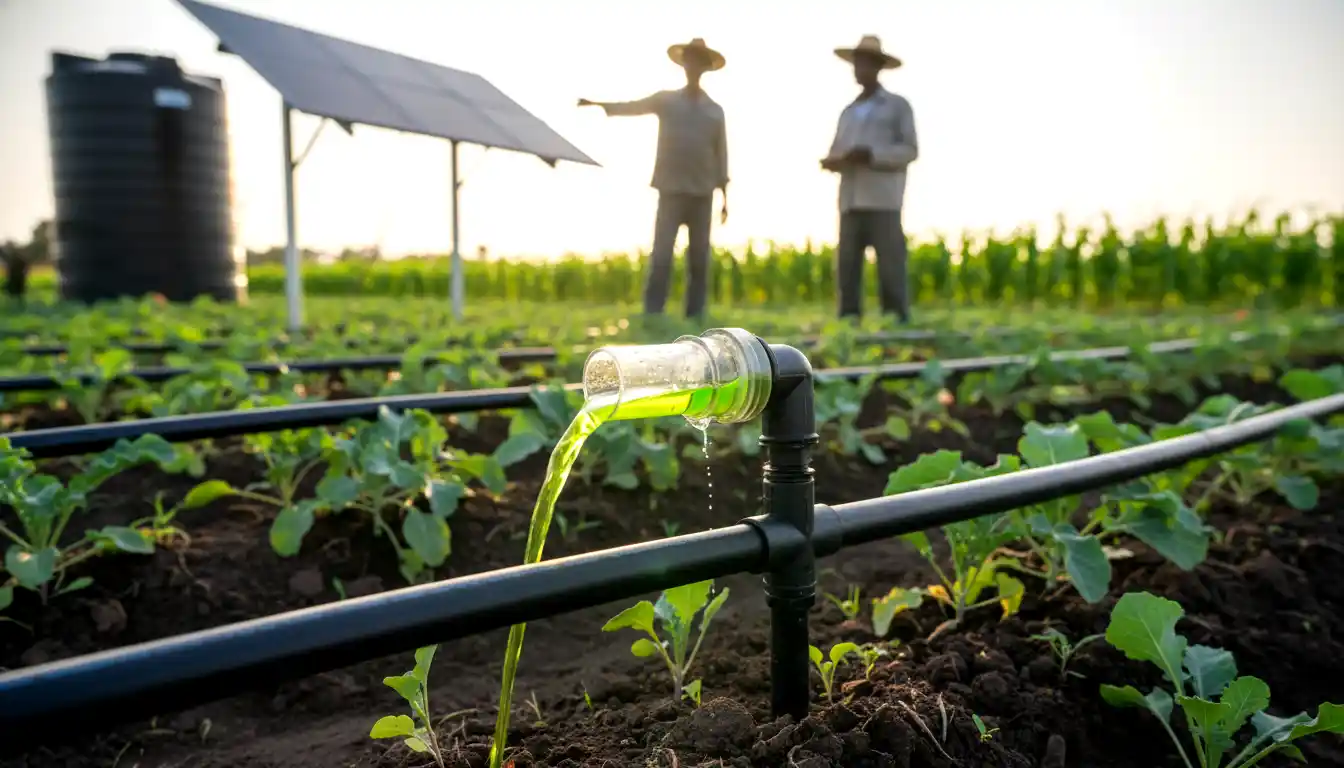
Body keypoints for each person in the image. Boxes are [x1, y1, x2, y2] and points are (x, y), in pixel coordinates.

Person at [579, 38, 729, 320]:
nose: (692, 67)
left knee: (699, 259)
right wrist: (599, 104)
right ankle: (653, 311)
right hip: (670, 189)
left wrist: (724, 198)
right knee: (661, 255)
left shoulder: (714, 111)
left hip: (702, 193)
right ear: (684, 65)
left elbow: (722, 155)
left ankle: (695, 313)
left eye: (698, 62)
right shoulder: (667, 101)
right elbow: (634, 105)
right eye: (689, 60)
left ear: (704, 67)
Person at [821, 35, 918, 322]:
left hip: (883, 199)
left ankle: (895, 319)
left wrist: (872, 154)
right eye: (856, 64)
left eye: (865, 64)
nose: (859, 69)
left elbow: (910, 150)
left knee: (890, 264)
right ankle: (849, 320)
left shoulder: (897, 106)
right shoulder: (848, 112)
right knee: (847, 266)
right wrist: (833, 162)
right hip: (850, 199)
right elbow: (837, 151)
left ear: (877, 67)